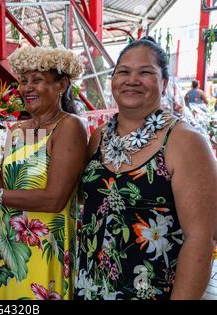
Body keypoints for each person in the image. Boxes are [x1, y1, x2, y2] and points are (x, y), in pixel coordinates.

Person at [74, 37, 217, 300]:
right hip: (90, 286)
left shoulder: (185, 141)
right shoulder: (99, 136)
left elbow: (200, 240)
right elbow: (86, 199)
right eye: (123, 72)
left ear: (164, 84)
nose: (132, 80)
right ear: (113, 81)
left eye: (146, 72)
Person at [0, 46, 88, 300]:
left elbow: (54, 199)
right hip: (9, 243)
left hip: (44, 248)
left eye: (37, 80)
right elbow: (7, 184)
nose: (26, 88)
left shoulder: (69, 126)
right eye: (23, 81)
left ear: (61, 85)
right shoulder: (17, 129)